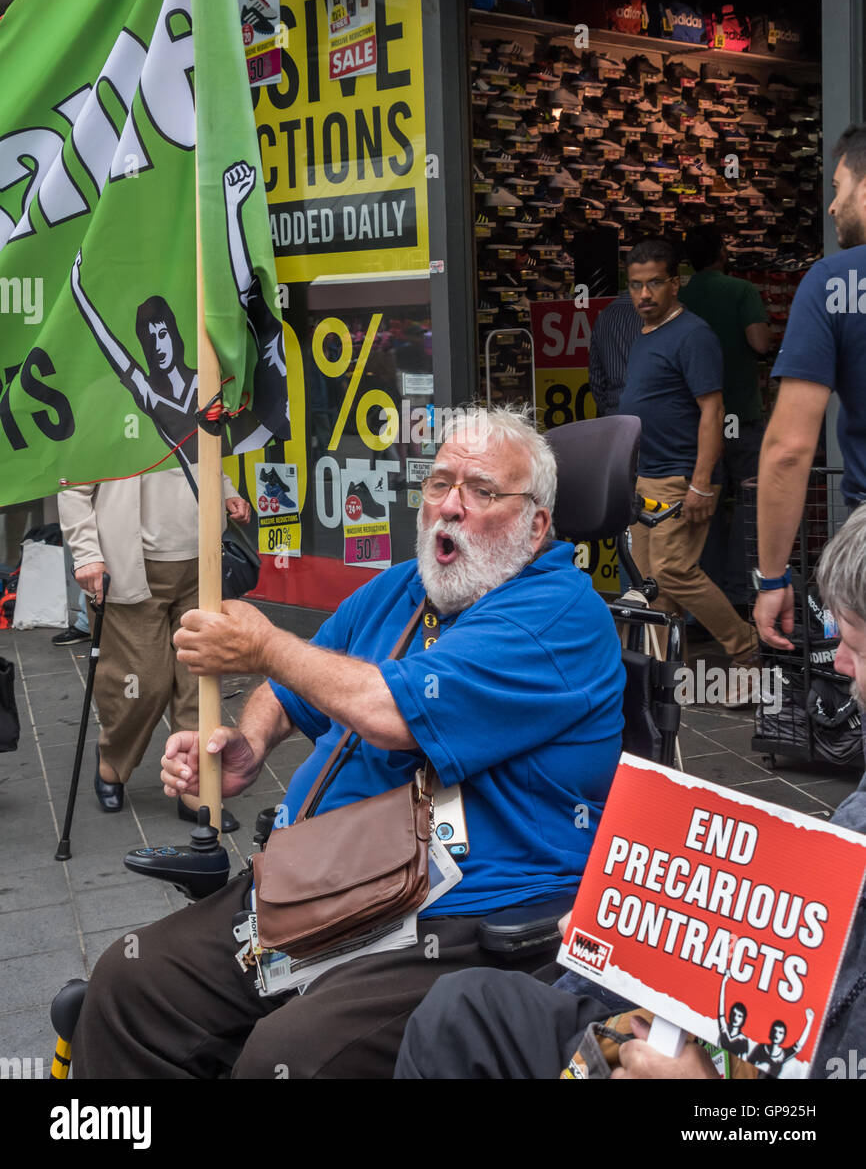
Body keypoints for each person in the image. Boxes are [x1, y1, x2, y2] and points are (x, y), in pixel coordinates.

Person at [70, 406, 626, 1080]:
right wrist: (249, 737)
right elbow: (302, 677)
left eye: (480, 491)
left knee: (285, 1060)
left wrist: (262, 645)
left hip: (456, 914)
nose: (449, 506)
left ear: (536, 523)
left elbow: (386, 708)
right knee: (132, 985)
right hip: (327, 881)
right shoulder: (406, 587)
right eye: (439, 483)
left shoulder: (560, 614)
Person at [392, 504, 866, 1081]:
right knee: (459, 1013)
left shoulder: (557, 615)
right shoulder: (407, 593)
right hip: (728, 1025)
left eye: (859, 649)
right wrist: (642, 929)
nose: (839, 663)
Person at [58, 467, 250, 826]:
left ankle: (195, 788)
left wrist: (227, 492)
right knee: (143, 682)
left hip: (201, 560)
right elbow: (72, 485)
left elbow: (208, 460)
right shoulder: (104, 411)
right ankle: (113, 761)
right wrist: (85, 554)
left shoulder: (200, 408)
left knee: (200, 680)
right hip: (129, 563)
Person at [617, 240, 756, 683]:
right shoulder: (644, 333)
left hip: (681, 476)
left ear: (675, 284)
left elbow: (712, 411)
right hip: (647, 478)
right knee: (651, 584)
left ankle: (747, 646)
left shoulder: (693, 334)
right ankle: (660, 676)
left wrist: (700, 483)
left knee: (674, 571)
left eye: (654, 283)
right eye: (636, 285)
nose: (644, 295)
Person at [755, 125, 866, 650]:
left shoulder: (834, 282)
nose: (831, 206)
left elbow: (789, 450)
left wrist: (773, 578)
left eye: (838, 187)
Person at [681, 225, 770, 608]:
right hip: (741, 414)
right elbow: (759, 342)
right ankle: (741, 591)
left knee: (705, 507)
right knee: (751, 501)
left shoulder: (680, 297)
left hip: (696, 421)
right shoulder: (741, 291)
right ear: (721, 252)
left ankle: (708, 598)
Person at [588, 289, 643, 417]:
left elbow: (596, 378)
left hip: (617, 412)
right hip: (659, 414)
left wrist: (608, 410)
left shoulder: (604, 316)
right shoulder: (665, 314)